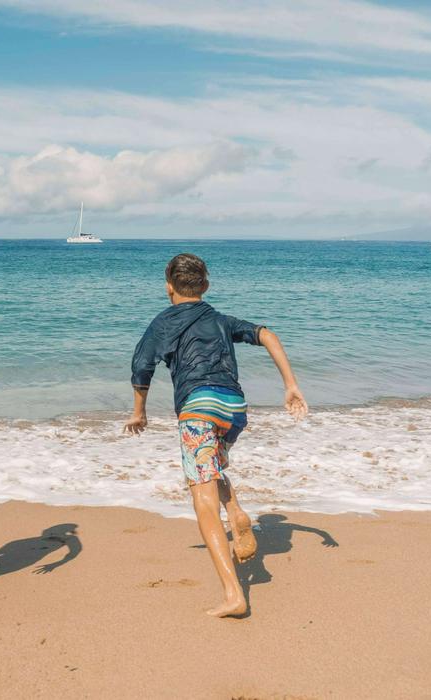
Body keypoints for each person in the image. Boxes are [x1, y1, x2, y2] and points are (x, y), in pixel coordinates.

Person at [123, 253, 307, 618]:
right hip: (233, 408)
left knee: (202, 500)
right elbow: (267, 334)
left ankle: (233, 594)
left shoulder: (162, 323)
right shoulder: (220, 319)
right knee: (211, 466)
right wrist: (290, 385)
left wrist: (139, 411)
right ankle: (236, 512)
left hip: (198, 408)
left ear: (169, 287)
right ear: (205, 286)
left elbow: (142, 365)